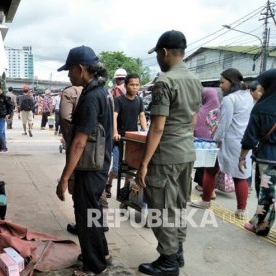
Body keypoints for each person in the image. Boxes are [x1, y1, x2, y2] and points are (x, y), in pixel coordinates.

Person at [135, 30, 202, 275]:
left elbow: (158, 126)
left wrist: (144, 164)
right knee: (177, 206)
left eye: (158, 55)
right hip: (186, 153)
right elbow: (193, 119)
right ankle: (177, 252)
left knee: (160, 207)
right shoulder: (195, 80)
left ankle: (168, 261)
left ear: (164, 52)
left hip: (166, 156)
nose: (159, 60)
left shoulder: (165, 81)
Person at [56, 45, 113, 275]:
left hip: (90, 167)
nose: (68, 75)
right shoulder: (102, 91)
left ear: (80, 69)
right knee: (94, 212)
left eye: (69, 70)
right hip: (100, 163)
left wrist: (65, 177)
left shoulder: (90, 97)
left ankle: (93, 267)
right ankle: (102, 253)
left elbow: (79, 142)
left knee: (86, 214)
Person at [190, 68, 253, 220]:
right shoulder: (248, 97)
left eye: (222, 82)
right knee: (240, 176)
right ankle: (241, 210)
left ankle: (205, 201)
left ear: (232, 82)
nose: (220, 86)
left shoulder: (230, 99)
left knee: (210, 170)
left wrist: (215, 141)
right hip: (243, 142)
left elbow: (224, 124)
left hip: (228, 142)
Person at [239, 69, 276, 236]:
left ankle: (260, 225)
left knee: (266, 194)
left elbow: (250, 137)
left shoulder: (262, 107)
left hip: (268, 157)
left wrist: (242, 157)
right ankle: (262, 224)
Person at [106, 73, 147, 198]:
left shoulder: (139, 100)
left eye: (137, 85)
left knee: (130, 167)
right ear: (126, 85)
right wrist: (115, 132)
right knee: (115, 168)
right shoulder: (119, 101)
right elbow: (114, 116)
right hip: (120, 139)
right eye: (132, 85)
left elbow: (142, 116)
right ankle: (109, 183)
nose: (135, 87)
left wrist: (145, 131)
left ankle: (125, 190)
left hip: (133, 139)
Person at [193, 88, 220, 197]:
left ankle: (204, 187)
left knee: (201, 164)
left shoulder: (201, 111)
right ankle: (210, 188)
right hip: (215, 143)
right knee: (212, 166)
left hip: (201, 143)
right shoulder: (220, 110)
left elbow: (195, 128)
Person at [0, 81, 13, 152]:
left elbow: (10, 106)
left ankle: (1, 148)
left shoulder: (5, 96)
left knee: (0, 132)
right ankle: (3, 148)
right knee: (2, 132)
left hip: (2, 116)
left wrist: (8, 114)